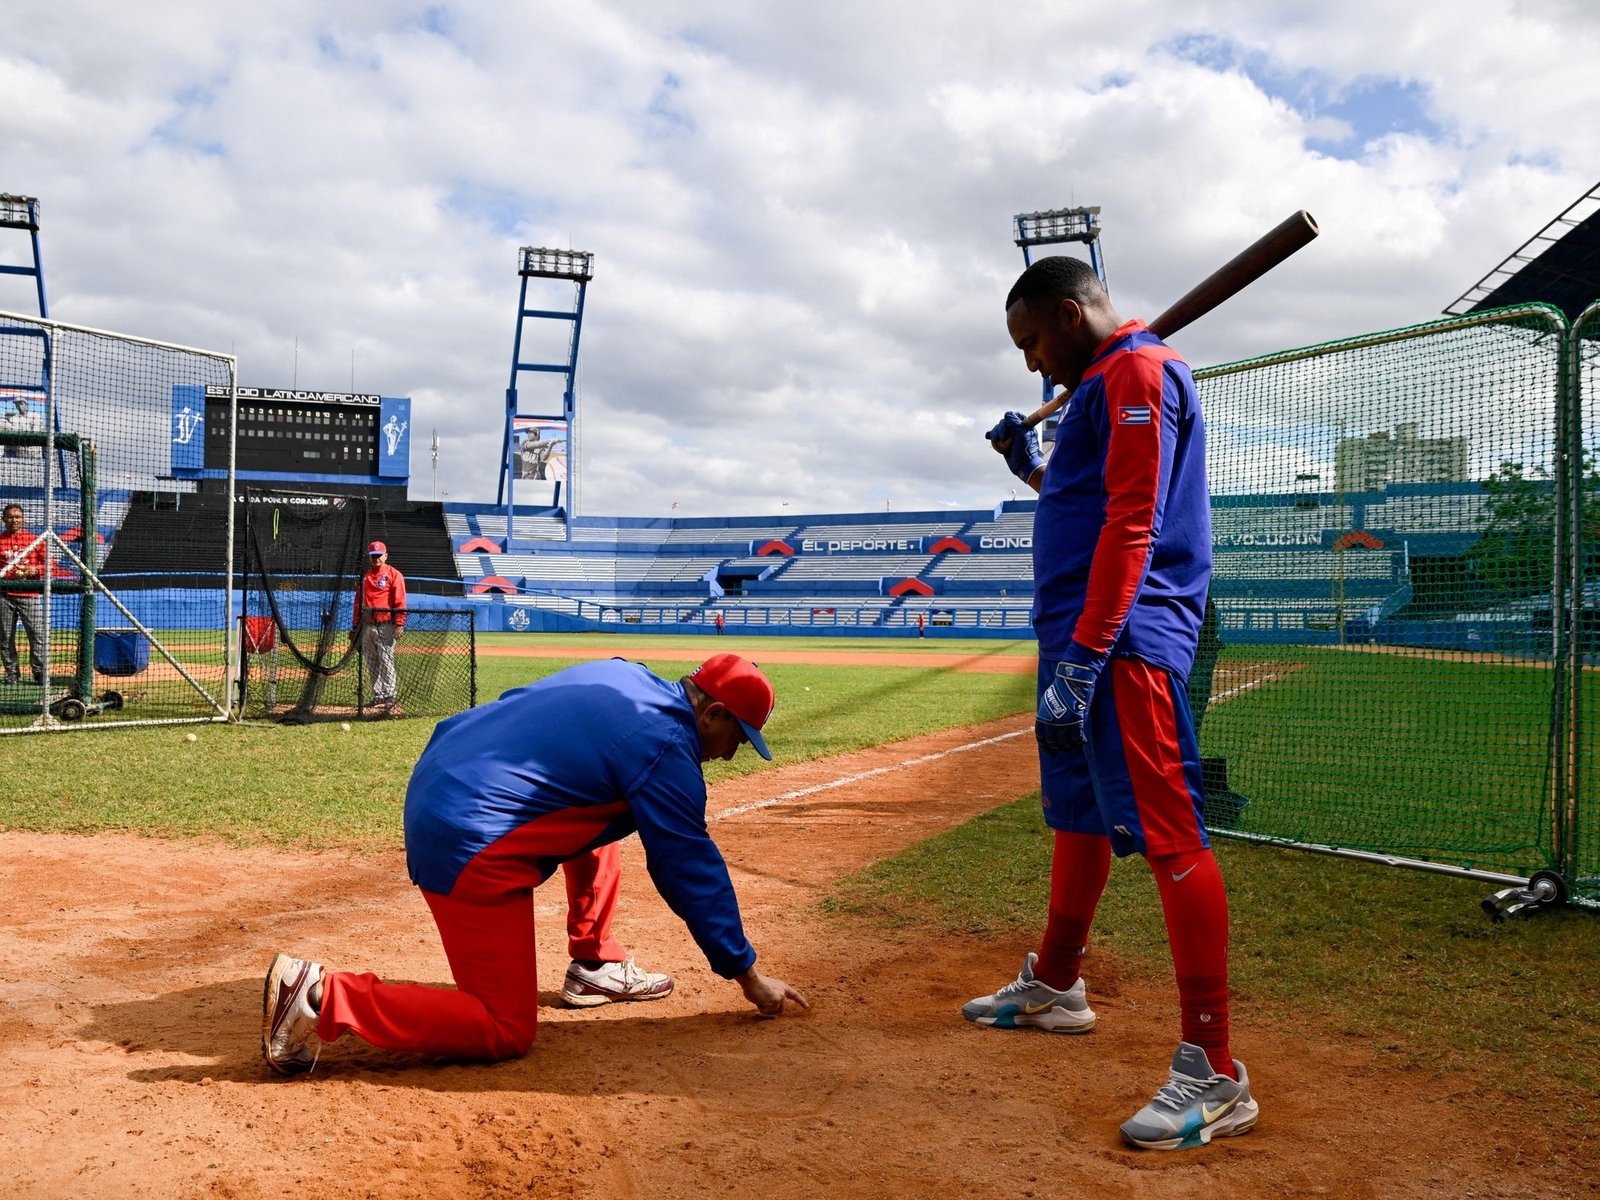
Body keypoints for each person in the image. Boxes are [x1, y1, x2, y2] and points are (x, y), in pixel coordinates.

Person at [969, 256, 1257, 1151]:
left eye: (1031, 343)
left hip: (1124, 642)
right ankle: (1057, 985)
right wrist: (1033, 467)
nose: (1030, 367)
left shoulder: (1138, 369)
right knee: (1080, 816)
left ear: (1067, 313)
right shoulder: (1099, 381)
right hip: (1081, 636)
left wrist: (1090, 656)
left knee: (1171, 836)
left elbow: (1136, 517)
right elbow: (1088, 502)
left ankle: (1216, 1071)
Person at [261, 652, 808, 1074]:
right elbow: (688, 867)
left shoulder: (626, 675)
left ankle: (595, 964)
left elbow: (529, 719)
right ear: (711, 712)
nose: (732, 754)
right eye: (737, 737)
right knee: (504, 1029)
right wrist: (747, 975)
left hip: (448, 777)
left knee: (604, 814)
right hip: (468, 837)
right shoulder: (666, 746)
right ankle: (320, 997)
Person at [353, 540, 406, 716]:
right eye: (373, 556)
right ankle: (379, 695)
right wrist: (355, 626)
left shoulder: (394, 574)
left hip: (385, 625)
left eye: (379, 555)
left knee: (386, 660)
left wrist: (399, 623)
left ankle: (390, 695)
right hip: (367, 625)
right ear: (370, 557)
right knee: (371, 661)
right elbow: (358, 602)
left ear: (385, 556)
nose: (376, 559)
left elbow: (400, 600)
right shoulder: (366, 576)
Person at [0, 503, 46, 686]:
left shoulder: (34, 539)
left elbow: (50, 564)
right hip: (4, 595)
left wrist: (34, 570)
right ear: (4, 519)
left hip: (30, 595)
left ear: (23, 519)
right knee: (4, 637)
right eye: (10, 516)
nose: (14, 520)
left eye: (18, 516)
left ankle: (40, 673)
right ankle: (12, 674)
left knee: (37, 635)